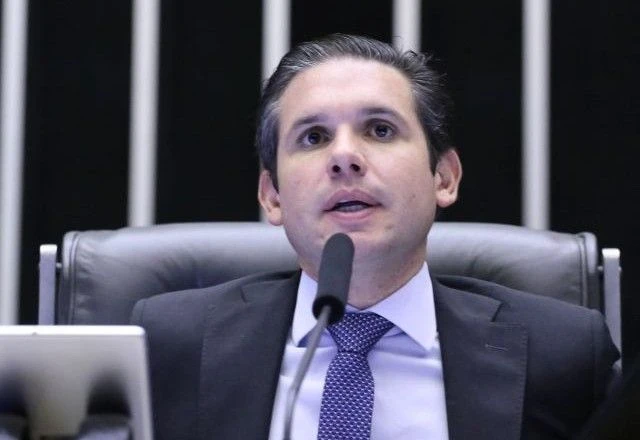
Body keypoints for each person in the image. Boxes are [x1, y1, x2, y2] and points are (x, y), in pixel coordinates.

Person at [131, 34, 619, 440]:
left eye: (380, 130)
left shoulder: (562, 356)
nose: (344, 157)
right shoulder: (170, 346)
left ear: (444, 177)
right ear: (272, 196)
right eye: (313, 137)